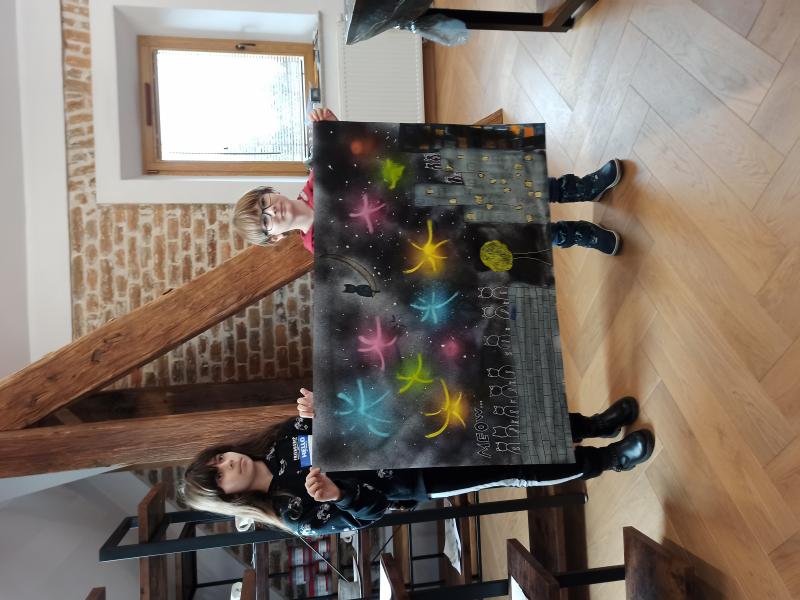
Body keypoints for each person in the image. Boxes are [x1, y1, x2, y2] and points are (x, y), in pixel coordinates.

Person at [182, 389, 654, 536]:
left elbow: (355, 415)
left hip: (414, 431)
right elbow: (372, 511)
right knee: (516, 468)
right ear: (228, 498)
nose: (227, 464)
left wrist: (323, 407)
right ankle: (607, 459)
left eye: (218, 457)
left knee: (507, 425)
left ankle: (594, 425)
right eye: (218, 475)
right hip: (421, 475)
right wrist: (339, 494)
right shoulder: (294, 514)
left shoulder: (284, 437)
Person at [232, 109, 624, 255]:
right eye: (265, 222)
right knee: (511, 235)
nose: (271, 213)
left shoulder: (319, 173)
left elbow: (363, 153)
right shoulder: (318, 246)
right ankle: (579, 234)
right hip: (424, 231)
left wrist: (336, 129)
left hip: (424, 183)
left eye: (264, 203)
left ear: (271, 192)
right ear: (274, 238)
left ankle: (581, 188)